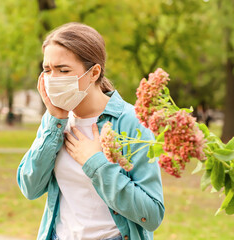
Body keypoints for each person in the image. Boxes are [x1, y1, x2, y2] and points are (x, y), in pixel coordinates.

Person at [17, 22, 164, 240]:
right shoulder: (55, 120)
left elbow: (151, 215)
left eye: (63, 70)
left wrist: (96, 163)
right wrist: (55, 121)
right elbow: (30, 187)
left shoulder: (132, 122)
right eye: (47, 70)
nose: (52, 79)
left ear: (94, 72)